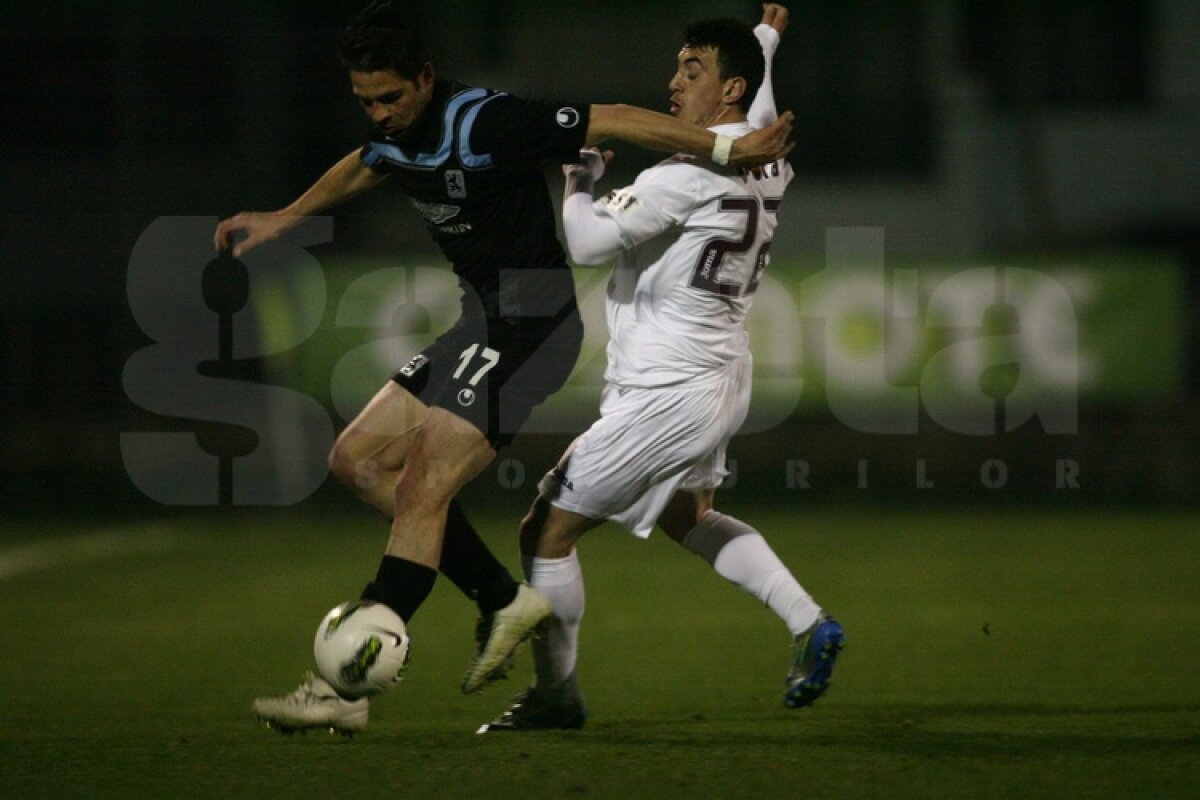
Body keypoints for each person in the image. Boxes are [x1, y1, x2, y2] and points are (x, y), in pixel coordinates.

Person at [215, 0, 794, 736]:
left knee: (423, 483)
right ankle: (501, 597)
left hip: (531, 326)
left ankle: (343, 687)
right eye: (366, 101)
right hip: (480, 322)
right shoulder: (394, 132)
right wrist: (284, 217)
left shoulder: (487, 121)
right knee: (356, 461)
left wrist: (723, 150)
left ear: (426, 78)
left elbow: (615, 117)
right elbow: (367, 163)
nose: (381, 113)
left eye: (391, 97)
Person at [477, 5, 843, 733]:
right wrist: (766, 41)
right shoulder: (769, 157)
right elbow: (757, 100)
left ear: (729, 89)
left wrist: (578, 179)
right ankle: (810, 622)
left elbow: (587, 245)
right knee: (688, 517)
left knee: (544, 530)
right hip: (719, 375)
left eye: (691, 70)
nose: (673, 82)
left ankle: (556, 696)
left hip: (666, 390)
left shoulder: (684, 174)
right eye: (677, 67)